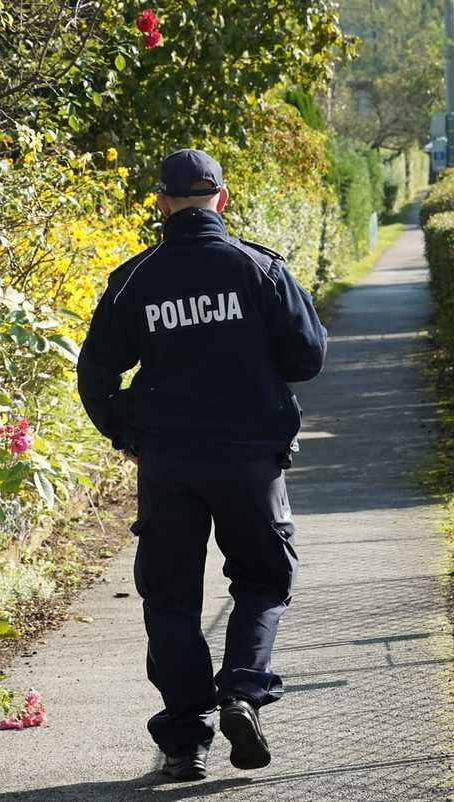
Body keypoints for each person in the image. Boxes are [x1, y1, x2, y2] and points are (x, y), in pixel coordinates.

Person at [76, 148, 327, 781]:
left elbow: (96, 371)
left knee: (171, 598)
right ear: (221, 198)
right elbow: (307, 357)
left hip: (169, 461)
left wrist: (124, 431)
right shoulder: (260, 268)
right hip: (251, 457)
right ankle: (243, 692)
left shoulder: (136, 278)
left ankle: (186, 740)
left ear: (161, 203)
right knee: (265, 579)